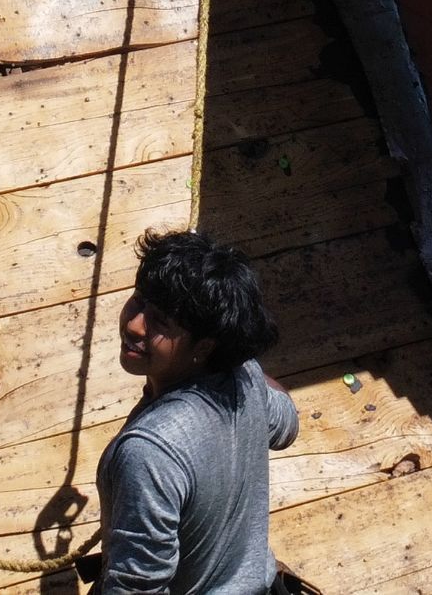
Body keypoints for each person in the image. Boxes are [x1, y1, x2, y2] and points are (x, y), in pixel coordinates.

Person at [94, 229, 300, 595]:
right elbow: (286, 424)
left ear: (203, 347)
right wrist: (241, 358)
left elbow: (136, 589)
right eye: (139, 300)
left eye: (160, 321)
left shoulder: (150, 452)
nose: (133, 324)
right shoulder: (246, 380)